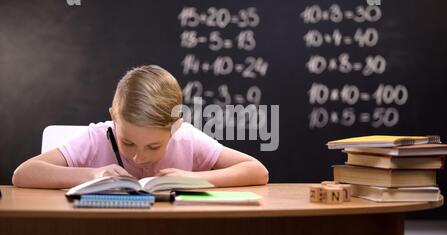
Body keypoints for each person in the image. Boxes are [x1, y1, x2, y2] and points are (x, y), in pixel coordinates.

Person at [12, 65, 269, 189]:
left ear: (175, 127)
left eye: (154, 146)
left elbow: (258, 171)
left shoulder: (187, 138)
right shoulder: (98, 137)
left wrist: (196, 178)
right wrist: (91, 175)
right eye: (128, 142)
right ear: (114, 118)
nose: (138, 155)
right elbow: (24, 174)